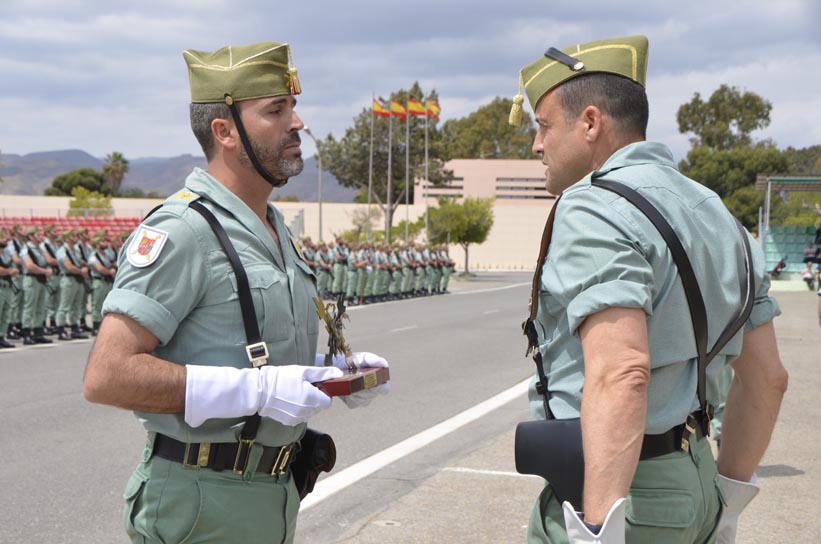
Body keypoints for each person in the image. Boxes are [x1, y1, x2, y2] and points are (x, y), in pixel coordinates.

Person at [83, 41, 389, 544]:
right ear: (225, 132)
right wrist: (259, 392)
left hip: (273, 493)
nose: (297, 123)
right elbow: (107, 376)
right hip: (202, 500)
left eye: (292, 107)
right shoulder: (185, 230)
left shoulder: (272, 227)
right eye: (276, 110)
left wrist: (327, 374)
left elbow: (242, 348)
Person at [509, 35, 788, 543]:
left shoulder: (593, 207)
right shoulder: (719, 215)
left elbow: (622, 371)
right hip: (698, 484)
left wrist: (598, 529)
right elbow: (767, 378)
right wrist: (726, 500)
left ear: (590, 122)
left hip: (625, 495)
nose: (537, 145)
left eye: (545, 126)